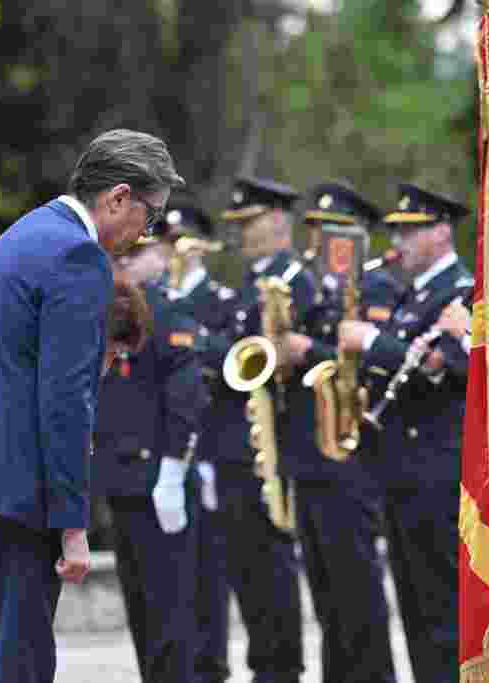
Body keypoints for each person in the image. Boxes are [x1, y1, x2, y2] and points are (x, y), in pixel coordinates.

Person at [0, 128, 183, 683]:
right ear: (117, 197)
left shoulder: (25, 233)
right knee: (20, 664)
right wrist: (72, 523)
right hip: (17, 489)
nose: (147, 234)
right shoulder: (76, 256)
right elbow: (66, 397)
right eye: (152, 216)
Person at [338, 183, 472, 683]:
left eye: (411, 231)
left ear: (442, 231)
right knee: (416, 612)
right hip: (401, 473)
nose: (399, 241)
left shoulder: (463, 291)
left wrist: (372, 340)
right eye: (395, 230)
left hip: (440, 473)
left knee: (444, 611)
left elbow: (443, 367)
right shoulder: (412, 295)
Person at [277, 181, 402, 683]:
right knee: (329, 601)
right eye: (317, 230)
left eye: (332, 231)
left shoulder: (373, 289)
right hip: (312, 457)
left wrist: (308, 350)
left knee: (359, 598)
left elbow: (371, 368)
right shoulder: (316, 291)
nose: (321, 241)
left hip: (352, 460)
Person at [203, 176, 319, 683]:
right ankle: (264, 665)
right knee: (246, 568)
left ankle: (281, 668)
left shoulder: (300, 281)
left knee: (272, 569)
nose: (241, 234)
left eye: (249, 222)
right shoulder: (247, 286)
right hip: (240, 444)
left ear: (276, 220)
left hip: (282, 443)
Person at [94, 244, 209, 683]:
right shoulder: (107, 307)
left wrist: (173, 472)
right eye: (117, 257)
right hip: (122, 482)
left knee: (170, 617)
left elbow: (186, 399)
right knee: (142, 613)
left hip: (160, 480)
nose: (122, 264)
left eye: (132, 255)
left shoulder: (167, 309)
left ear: (157, 256)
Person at [154, 197, 234, 683]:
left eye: (183, 243)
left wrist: (192, 334)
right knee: (169, 579)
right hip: (164, 451)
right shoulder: (154, 300)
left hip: (209, 450)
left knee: (209, 574)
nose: (175, 252)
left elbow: (235, 361)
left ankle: (213, 664)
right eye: (168, 243)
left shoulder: (219, 302)